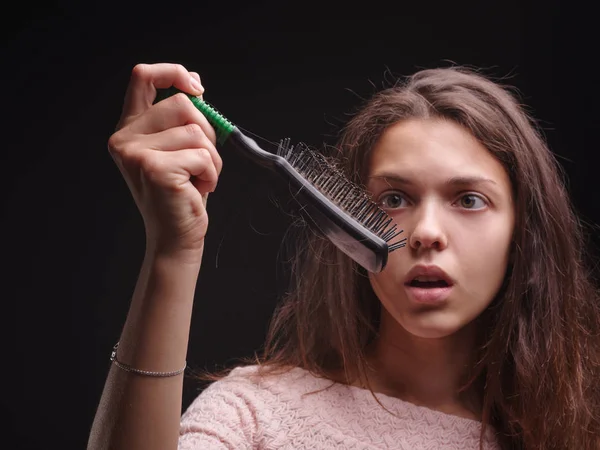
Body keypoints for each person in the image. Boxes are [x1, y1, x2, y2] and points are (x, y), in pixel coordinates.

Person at [87, 62, 600, 450]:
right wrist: (172, 251)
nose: (425, 233)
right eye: (394, 200)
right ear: (344, 218)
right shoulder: (257, 418)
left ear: (524, 232)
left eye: (469, 200)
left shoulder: (572, 426)